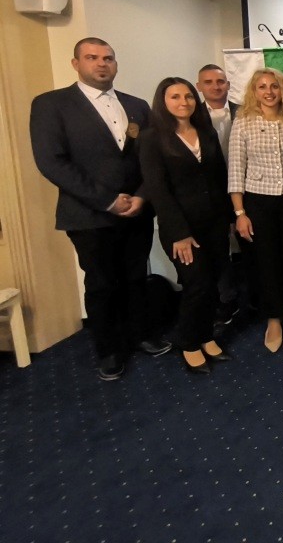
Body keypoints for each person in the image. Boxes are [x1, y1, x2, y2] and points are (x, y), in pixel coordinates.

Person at [30, 37, 170, 382]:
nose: (101, 64)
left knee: (136, 276)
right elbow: (51, 162)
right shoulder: (52, 104)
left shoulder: (137, 106)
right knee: (101, 283)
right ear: (76, 63)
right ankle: (109, 350)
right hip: (88, 214)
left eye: (108, 58)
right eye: (92, 57)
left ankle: (141, 334)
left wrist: (141, 196)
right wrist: (107, 200)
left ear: (115, 64)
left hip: (136, 210)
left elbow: (150, 159)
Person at [139, 78, 232, 375]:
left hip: (214, 222)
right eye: (175, 97)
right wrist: (180, 234)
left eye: (188, 96)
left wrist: (230, 217)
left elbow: (219, 176)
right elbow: (158, 190)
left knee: (213, 282)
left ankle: (205, 335)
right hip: (181, 229)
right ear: (163, 101)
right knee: (197, 284)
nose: (184, 102)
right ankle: (188, 341)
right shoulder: (152, 138)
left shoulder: (206, 131)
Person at [228, 68, 283, 353]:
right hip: (257, 201)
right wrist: (240, 213)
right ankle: (273, 318)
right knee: (265, 262)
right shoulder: (243, 122)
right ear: (254, 92)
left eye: (274, 86)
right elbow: (236, 169)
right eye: (262, 87)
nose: (269, 92)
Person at [196, 63, 241, 326]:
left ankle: (250, 296)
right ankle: (224, 301)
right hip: (209, 193)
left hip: (244, 189)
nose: (215, 86)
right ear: (199, 86)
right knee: (217, 249)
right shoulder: (190, 116)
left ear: (228, 84)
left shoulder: (244, 112)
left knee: (248, 244)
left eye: (220, 81)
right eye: (208, 82)